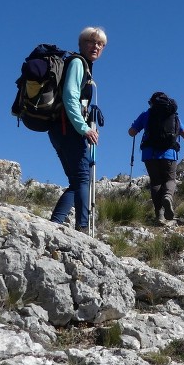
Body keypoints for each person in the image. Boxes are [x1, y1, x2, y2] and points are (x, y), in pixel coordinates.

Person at [48, 26, 106, 232]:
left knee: (76, 180)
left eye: (100, 44)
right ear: (81, 44)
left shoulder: (84, 66)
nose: (96, 47)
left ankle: (54, 225)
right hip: (68, 128)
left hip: (62, 128)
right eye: (91, 42)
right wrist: (84, 128)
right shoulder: (77, 63)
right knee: (82, 178)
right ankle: (82, 228)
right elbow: (70, 96)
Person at [128, 92, 184, 225]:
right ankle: (168, 196)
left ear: (151, 102)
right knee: (170, 179)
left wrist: (134, 127)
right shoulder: (173, 115)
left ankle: (159, 215)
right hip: (169, 152)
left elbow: (131, 132)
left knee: (156, 182)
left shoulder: (146, 115)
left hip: (149, 153)